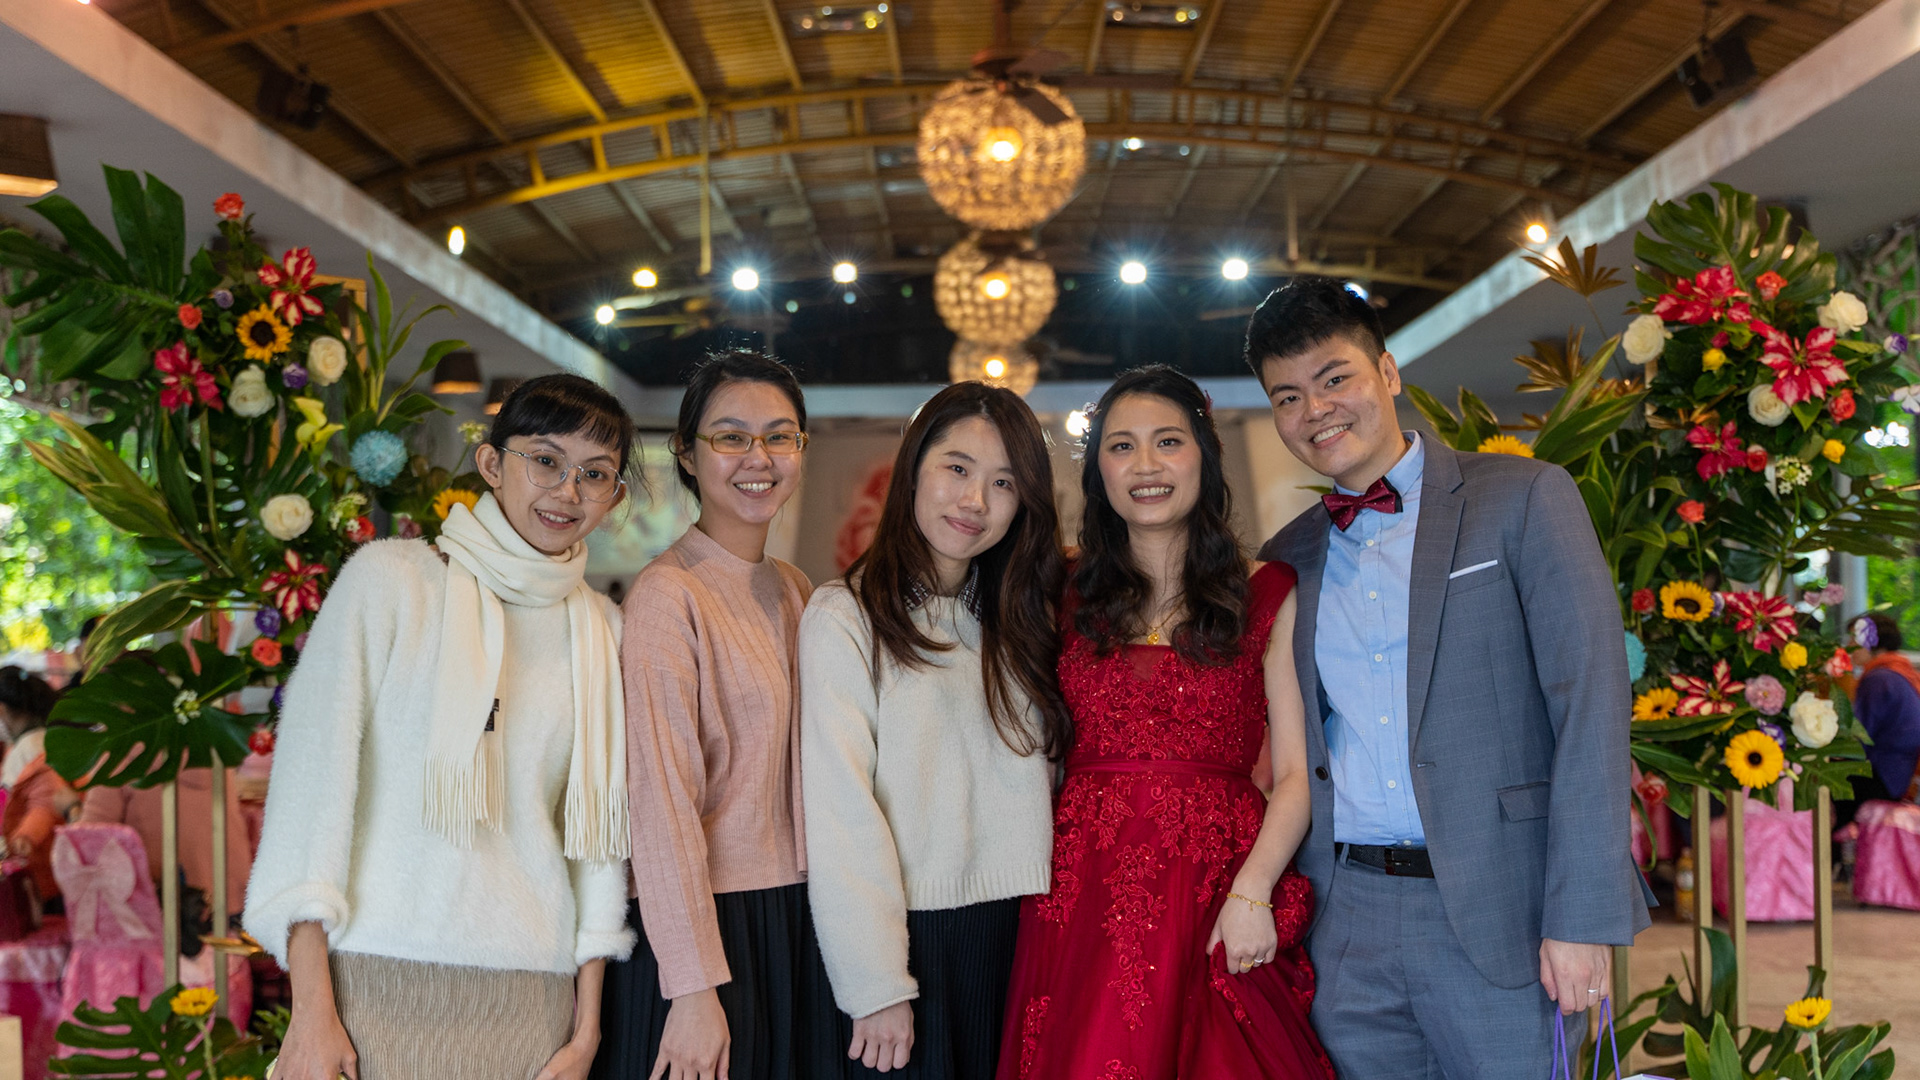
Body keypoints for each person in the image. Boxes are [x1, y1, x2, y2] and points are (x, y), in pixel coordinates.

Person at [1245, 277, 1651, 1078]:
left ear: (1388, 372)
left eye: (1334, 378)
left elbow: (1591, 705)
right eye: (1287, 397)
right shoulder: (1289, 557)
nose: (1315, 410)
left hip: (1505, 911)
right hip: (1348, 919)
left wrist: (1581, 916)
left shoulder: (1525, 498)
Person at [246, 374, 638, 1080]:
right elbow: (309, 797)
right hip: (371, 979)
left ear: (613, 496)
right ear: (491, 463)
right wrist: (310, 1011)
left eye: (594, 474)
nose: (567, 491)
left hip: (532, 992)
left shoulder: (602, 630)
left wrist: (586, 1033)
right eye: (545, 461)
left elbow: (594, 848)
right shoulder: (391, 582)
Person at [996, 365, 1332, 1080]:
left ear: (1204, 457)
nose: (1145, 465)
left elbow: (1298, 774)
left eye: (1168, 442)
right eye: (1121, 447)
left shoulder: (1268, 591)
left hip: (1219, 885)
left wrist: (1253, 892)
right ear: (1099, 472)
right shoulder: (1059, 590)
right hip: (1082, 890)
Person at [802, 383, 1068, 1079]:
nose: (975, 500)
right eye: (957, 468)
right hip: (910, 938)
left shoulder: (1021, 620)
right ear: (913, 469)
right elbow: (840, 812)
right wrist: (876, 983)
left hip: (1025, 932)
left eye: (1003, 482)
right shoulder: (845, 616)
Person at [595, 352, 841, 1080]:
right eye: (731, 437)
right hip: (708, 926)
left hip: (794, 913)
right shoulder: (668, 595)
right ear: (686, 453)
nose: (758, 458)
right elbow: (660, 803)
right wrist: (693, 985)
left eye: (780, 436)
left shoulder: (794, 587)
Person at [1, 667, 77, 906]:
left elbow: (44, 800)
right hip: (55, 865)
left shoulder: (28, 749)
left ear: (3, 709)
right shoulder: (47, 738)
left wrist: (26, 835)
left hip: (39, 866)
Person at [1851, 613, 1920, 803]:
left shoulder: (1878, 678)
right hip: (1900, 775)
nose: (1849, 645)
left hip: (1882, 775)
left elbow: (1859, 738)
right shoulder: (1898, 671)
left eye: (1854, 638)